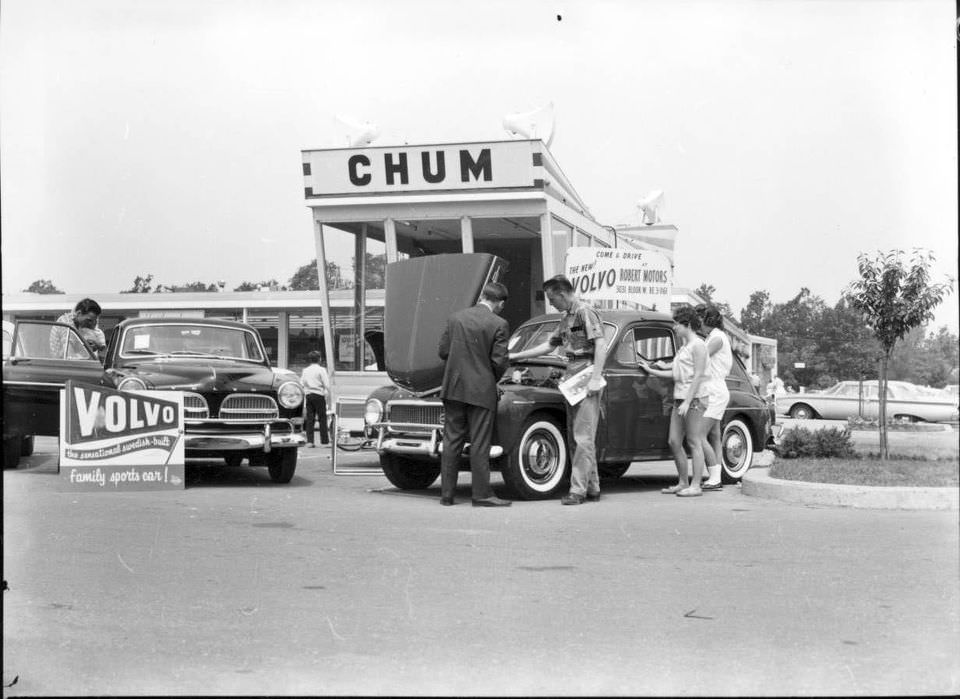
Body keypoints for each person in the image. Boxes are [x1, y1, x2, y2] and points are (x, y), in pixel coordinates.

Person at [508, 275, 608, 505]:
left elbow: (600, 344)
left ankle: (578, 490)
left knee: (582, 437)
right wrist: (516, 356)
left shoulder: (585, 312)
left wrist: (595, 377)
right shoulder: (566, 317)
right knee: (578, 436)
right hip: (572, 375)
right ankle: (591, 486)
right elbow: (548, 345)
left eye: (553, 299)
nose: (552, 304)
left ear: (562, 294)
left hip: (585, 373)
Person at [438, 282, 512, 507]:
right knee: (480, 442)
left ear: (482, 296)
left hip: (453, 387)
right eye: (501, 305)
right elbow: (499, 362)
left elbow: (443, 351)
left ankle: (447, 495)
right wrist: (490, 380)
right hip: (481, 391)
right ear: (499, 303)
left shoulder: (455, 318)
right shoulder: (499, 323)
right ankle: (481, 494)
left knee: (452, 440)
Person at [639, 305, 711, 497]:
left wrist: (688, 401)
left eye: (677, 324)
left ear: (687, 324)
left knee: (694, 441)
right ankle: (682, 482)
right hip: (680, 398)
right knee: (674, 441)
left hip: (694, 399)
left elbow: (698, 375)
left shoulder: (698, 346)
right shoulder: (685, 347)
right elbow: (675, 373)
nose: (674, 327)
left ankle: (696, 485)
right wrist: (651, 369)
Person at [695, 304, 732, 490]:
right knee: (714, 435)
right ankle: (715, 477)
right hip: (716, 389)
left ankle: (715, 478)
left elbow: (701, 357)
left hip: (714, 390)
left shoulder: (716, 338)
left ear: (706, 319)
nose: (697, 323)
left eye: (699, 319)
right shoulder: (715, 336)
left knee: (699, 435)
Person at [300, 350, 330, 447]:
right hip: (319, 395)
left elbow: (302, 383)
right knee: (322, 418)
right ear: (319, 359)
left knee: (310, 418)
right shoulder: (321, 370)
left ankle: (310, 441)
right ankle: (324, 442)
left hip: (308, 395)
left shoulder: (305, 370)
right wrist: (329, 394)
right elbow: (327, 384)